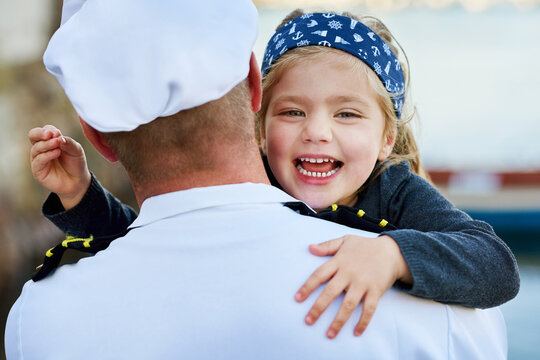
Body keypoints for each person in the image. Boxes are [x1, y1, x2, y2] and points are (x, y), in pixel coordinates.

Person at [7, 1, 508, 358]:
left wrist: (393, 253)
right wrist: (81, 197)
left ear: (385, 140)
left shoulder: (393, 191)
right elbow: (137, 231)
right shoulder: (266, 180)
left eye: (348, 115)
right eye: (292, 112)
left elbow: (495, 264)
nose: (316, 132)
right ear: (257, 115)